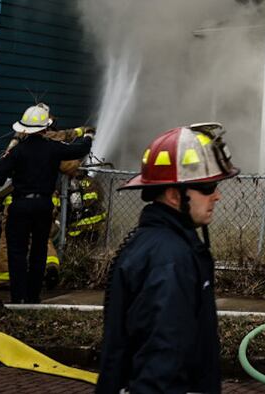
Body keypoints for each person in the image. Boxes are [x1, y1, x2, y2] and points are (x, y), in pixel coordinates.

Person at [97, 123, 237, 394]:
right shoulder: (169, 260)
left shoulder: (160, 245)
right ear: (175, 195)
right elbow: (162, 356)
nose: (217, 196)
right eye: (207, 188)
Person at [0, 104, 92, 304]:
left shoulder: (17, 152)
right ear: (45, 127)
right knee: (39, 250)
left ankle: (18, 297)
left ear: (24, 128)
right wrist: (89, 136)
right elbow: (80, 150)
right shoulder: (53, 148)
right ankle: (34, 297)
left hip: (19, 207)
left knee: (16, 252)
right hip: (43, 206)